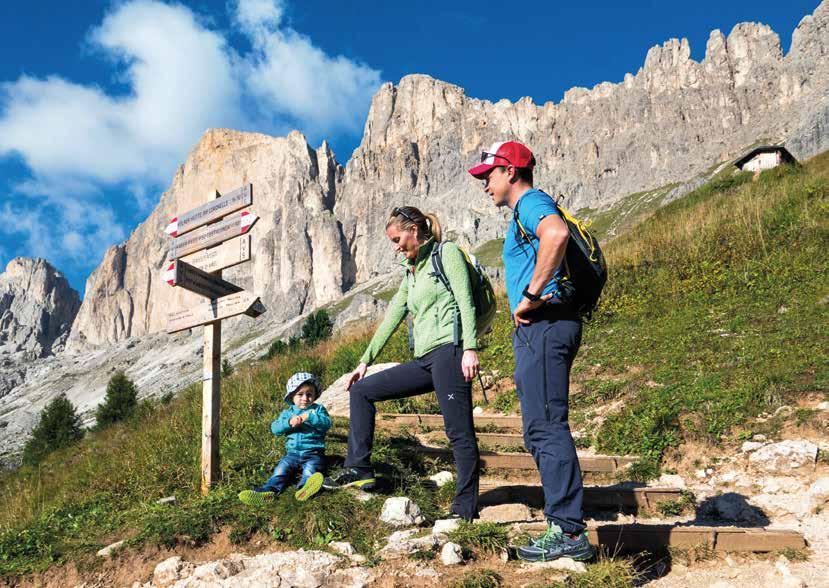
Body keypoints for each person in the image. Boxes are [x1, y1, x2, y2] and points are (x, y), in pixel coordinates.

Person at [468, 141, 594, 561]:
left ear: (509, 171)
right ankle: (565, 526)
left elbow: (555, 234)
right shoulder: (526, 209)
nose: (484, 184)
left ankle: (569, 533)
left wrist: (530, 295)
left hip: (545, 324)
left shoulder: (531, 202)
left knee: (544, 427)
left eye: (488, 175)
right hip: (546, 326)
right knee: (539, 426)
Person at [323, 206, 481, 521]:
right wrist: (365, 361)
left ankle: (465, 509)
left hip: (449, 354)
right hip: (424, 360)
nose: (395, 246)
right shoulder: (411, 272)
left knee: (459, 432)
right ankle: (358, 468)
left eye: (397, 239)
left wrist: (470, 348)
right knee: (362, 391)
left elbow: (465, 299)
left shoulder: (445, 253)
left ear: (414, 230)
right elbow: (393, 315)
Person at [239, 372, 332, 505]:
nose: (305, 398)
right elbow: (275, 429)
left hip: (313, 453)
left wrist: (310, 417)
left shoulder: (317, 410)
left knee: (311, 470)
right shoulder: (288, 413)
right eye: (300, 394)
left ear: (315, 395)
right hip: (292, 454)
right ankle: (269, 491)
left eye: (309, 394)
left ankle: (305, 488)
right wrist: (288, 423)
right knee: (280, 471)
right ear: (292, 396)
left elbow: (327, 424)